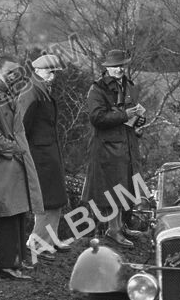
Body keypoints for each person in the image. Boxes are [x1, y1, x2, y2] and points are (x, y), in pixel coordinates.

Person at [0, 55, 45, 280]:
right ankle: (6, 266)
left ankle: (19, 259)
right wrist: (11, 148)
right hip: (2, 166)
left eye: (16, 72)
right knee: (7, 215)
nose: (13, 76)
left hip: (14, 164)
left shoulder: (9, 94)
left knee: (19, 211)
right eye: (9, 72)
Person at [82, 48, 144, 247]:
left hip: (127, 143)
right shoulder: (97, 89)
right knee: (113, 189)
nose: (119, 69)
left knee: (127, 185)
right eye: (115, 66)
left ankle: (122, 225)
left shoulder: (129, 86)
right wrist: (125, 115)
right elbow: (97, 118)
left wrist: (139, 120)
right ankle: (113, 229)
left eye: (121, 66)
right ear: (107, 67)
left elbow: (130, 112)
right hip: (108, 148)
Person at [17, 53, 71, 262]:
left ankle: (51, 238)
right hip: (38, 155)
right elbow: (21, 128)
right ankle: (37, 243)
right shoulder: (31, 92)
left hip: (49, 153)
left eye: (55, 72)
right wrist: (26, 155)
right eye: (50, 71)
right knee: (45, 200)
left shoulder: (43, 90)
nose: (53, 76)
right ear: (37, 71)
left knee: (56, 198)